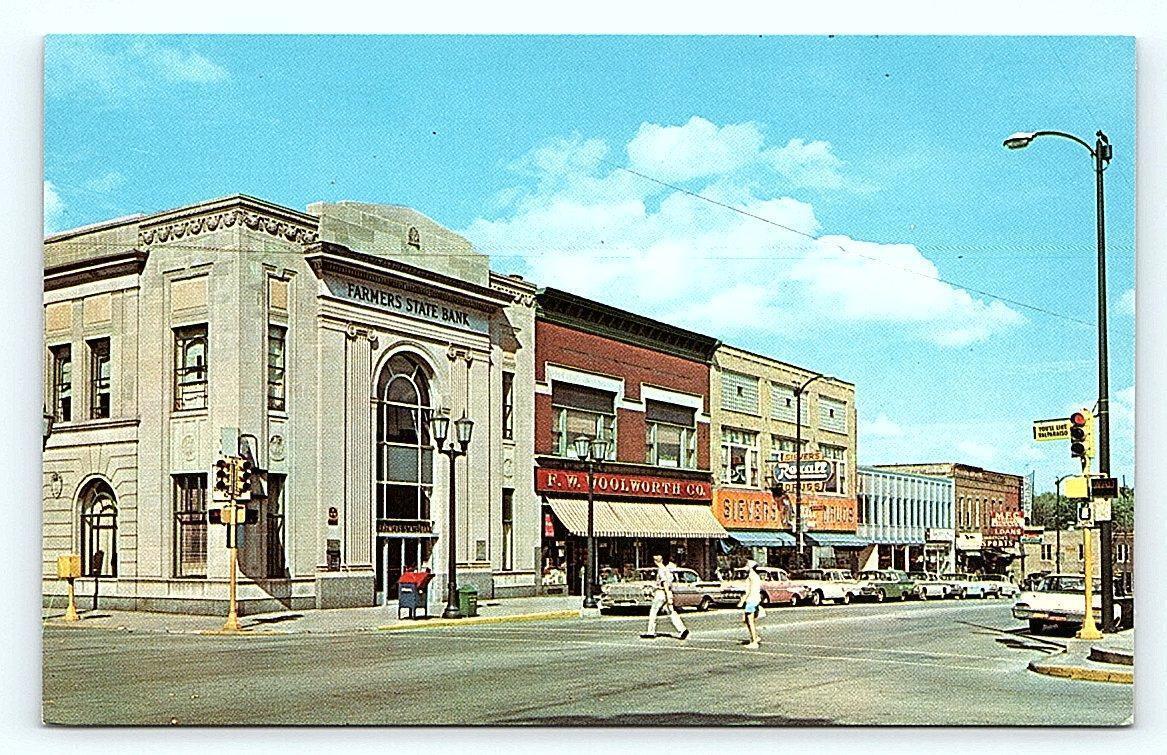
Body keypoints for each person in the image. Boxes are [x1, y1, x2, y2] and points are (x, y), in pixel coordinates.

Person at [641, 553, 689, 640]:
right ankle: (682, 629)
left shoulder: (661, 570)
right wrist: (669, 595)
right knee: (671, 612)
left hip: (661, 593)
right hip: (667, 592)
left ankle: (650, 632)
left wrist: (667, 594)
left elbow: (664, 583)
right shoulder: (667, 570)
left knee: (653, 611)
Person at [739, 559, 763, 648]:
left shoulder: (750, 577)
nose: (745, 567)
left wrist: (741, 601)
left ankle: (754, 642)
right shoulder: (756, 576)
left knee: (750, 621)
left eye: (747, 565)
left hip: (751, 600)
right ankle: (755, 637)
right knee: (746, 620)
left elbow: (748, 591)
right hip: (756, 600)